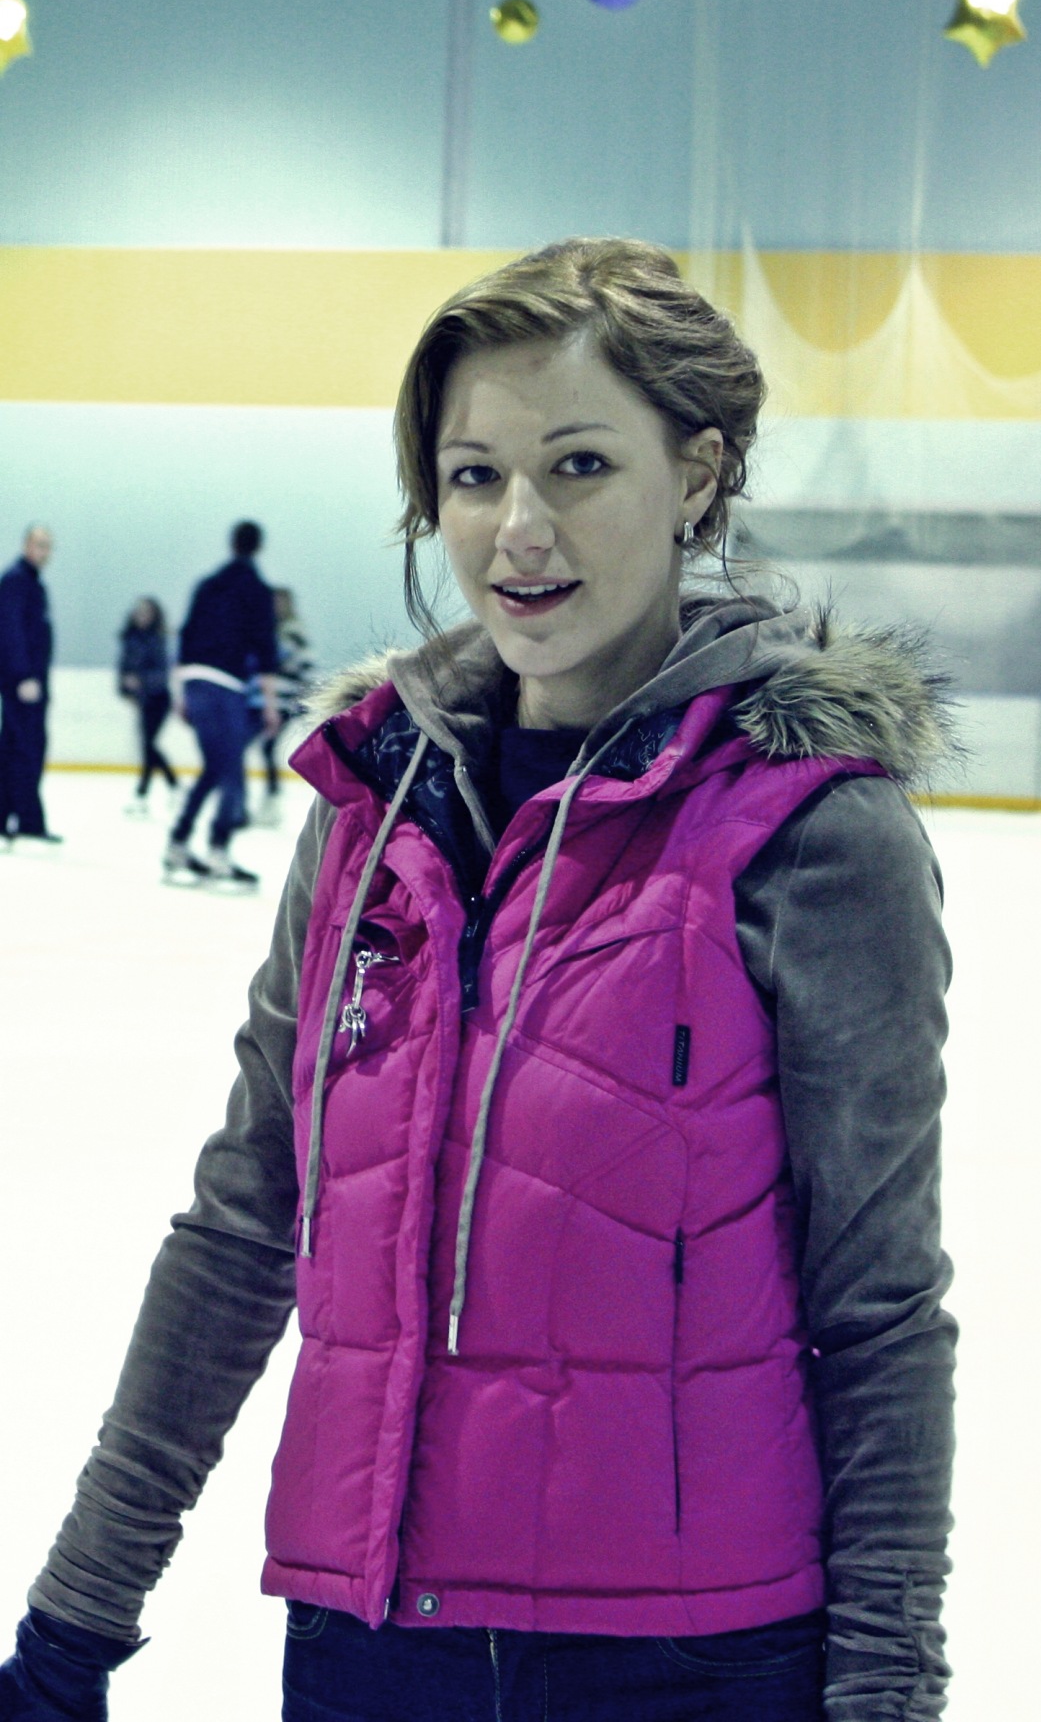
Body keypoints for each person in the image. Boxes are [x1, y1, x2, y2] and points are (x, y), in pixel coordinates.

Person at [0, 240, 957, 1722]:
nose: (519, 528)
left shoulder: (811, 831)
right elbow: (246, 1221)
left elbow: (879, 1306)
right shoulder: (371, 810)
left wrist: (888, 1694)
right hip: (369, 1646)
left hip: (686, 1668)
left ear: (697, 476)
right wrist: (73, 1624)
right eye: (472, 475)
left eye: (579, 465)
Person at [164, 522, 280, 887]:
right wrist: (270, 704)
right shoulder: (258, 591)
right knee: (231, 770)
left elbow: (185, 636)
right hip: (226, 685)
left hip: (195, 681)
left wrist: (181, 692)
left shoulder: (207, 585)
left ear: (232, 543)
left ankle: (178, 843)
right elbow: (265, 649)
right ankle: (219, 850)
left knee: (216, 766)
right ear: (258, 546)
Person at [0, 524, 60, 844]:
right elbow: (10, 631)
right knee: (23, 750)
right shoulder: (16, 581)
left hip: (34, 682)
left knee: (21, 748)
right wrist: (23, 676)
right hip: (22, 683)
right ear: (26, 545)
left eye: (48, 546)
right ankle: (24, 820)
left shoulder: (33, 583)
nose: (44, 551)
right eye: (39, 544)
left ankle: (24, 819)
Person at [250, 587, 315, 826]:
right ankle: (270, 800)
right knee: (265, 748)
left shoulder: (293, 632)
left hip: (285, 702)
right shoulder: (271, 630)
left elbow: (303, 665)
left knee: (267, 747)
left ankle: (272, 802)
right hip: (270, 701)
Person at [117, 598, 179, 810]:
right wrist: (126, 689)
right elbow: (124, 668)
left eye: (146, 613)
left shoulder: (157, 639)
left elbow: (161, 673)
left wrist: (140, 681)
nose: (141, 616)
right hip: (142, 699)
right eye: (139, 612)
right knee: (147, 747)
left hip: (158, 699)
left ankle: (152, 791)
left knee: (148, 746)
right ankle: (154, 791)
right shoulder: (130, 639)